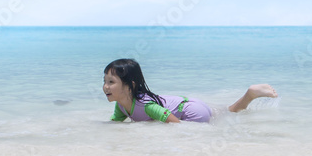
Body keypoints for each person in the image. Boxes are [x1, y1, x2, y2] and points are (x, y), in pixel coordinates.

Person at [103, 58, 277, 123]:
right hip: (186, 104)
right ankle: (251, 95)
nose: (105, 87)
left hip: (190, 112)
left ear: (130, 85)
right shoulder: (121, 106)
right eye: (104, 81)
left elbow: (175, 124)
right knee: (227, 111)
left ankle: (250, 94)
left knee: (230, 112)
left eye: (111, 82)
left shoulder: (146, 105)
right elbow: (115, 125)